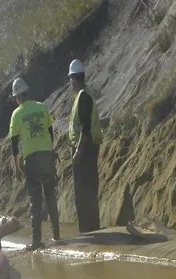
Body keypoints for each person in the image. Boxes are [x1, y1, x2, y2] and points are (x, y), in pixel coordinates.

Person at [8, 76, 60, 250]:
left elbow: (14, 145)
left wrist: (16, 168)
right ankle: (57, 236)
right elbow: (50, 131)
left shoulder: (16, 114)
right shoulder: (42, 106)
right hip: (47, 156)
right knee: (51, 196)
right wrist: (48, 150)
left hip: (32, 160)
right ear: (27, 93)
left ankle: (36, 242)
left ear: (17, 97)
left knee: (35, 202)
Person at [67, 58, 102, 232]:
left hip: (84, 149)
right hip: (86, 148)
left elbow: (86, 129)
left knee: (84, 191)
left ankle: (89, 229)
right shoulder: (83, 96)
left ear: (74, 78)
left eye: (70, 79)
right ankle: (90, 227)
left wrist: (78, 152)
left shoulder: (83, 97)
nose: (70, 83)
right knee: (86, 189)